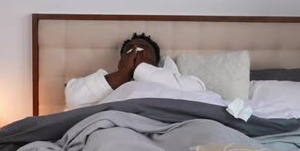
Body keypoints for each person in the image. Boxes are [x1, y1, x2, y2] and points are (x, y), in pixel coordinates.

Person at [65, 33, 205, 109]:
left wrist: (142, 69)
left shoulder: (177, 80)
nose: (136, 51)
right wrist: (122, 75)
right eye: (130, 50)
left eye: (144, 49)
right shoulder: (110, 84)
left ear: (156, 60)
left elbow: (198, 92)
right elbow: (73, 99)